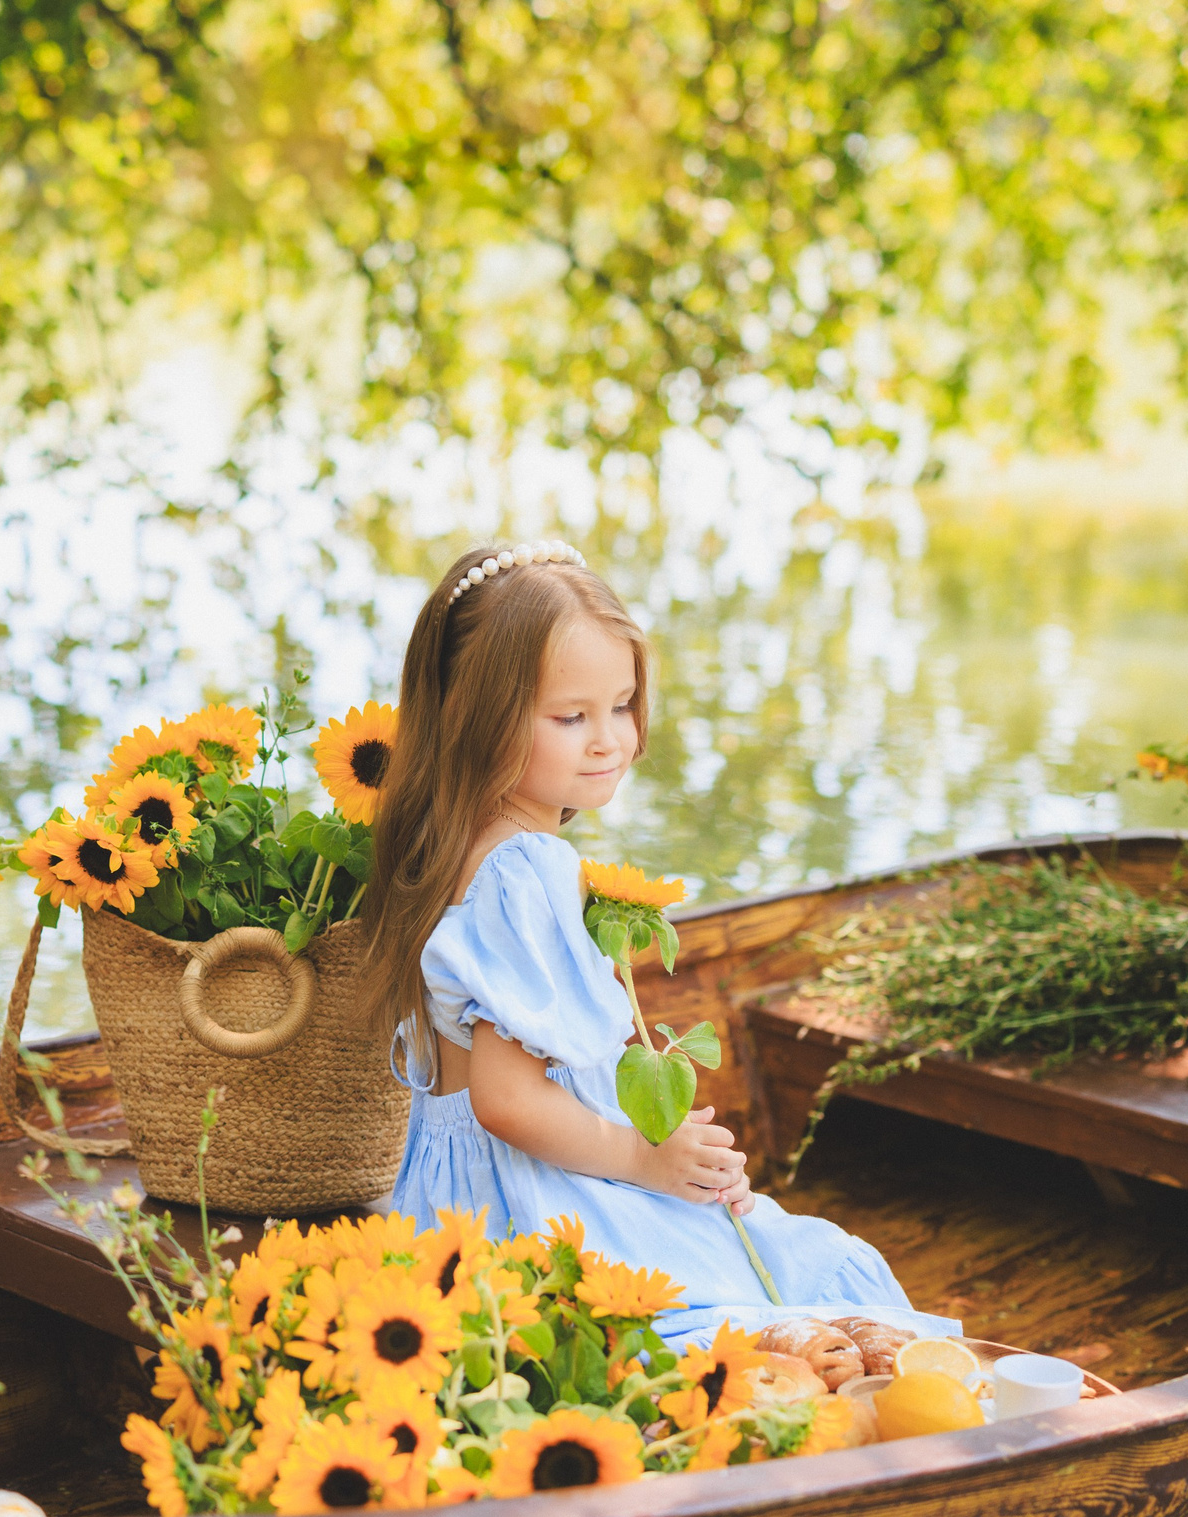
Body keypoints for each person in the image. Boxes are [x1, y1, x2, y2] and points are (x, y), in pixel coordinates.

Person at [356, 541, 956, 1347]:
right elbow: (506, 1099)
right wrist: (646, 1159)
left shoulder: (449, 841)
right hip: (529, 1197)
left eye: (623, 704)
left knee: (774, 1251)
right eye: (570, 718)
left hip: (447, 1195)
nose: (610, 740)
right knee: (810, 1279)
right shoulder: (524, 866)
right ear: (476, 716)